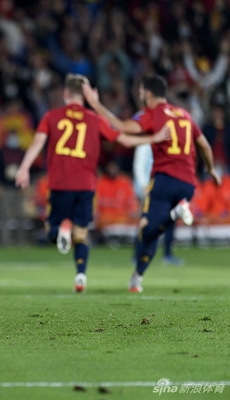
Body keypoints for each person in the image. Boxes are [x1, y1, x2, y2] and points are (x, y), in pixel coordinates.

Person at [14, 74, 169, 293]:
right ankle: (80, 277)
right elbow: (124, 140)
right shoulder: (95, 119)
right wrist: (153, 138)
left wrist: (24, 168)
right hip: (86, 185)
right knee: (81, 235)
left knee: (51, 231)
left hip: (59, 183)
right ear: (85, 96)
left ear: (66, 93)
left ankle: (63, 229)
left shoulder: (51, 116)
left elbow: (38, 142)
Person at [83, 75, 221, 292]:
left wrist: (95, 104)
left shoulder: (151, 114)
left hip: (165, 180)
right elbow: (203, 144)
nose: (140, 96)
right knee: (157, 230)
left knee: (147, 231)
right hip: (188, 184)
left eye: (140, 93)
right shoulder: (184, 114)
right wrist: (211, 169)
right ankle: (137, 277)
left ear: (148, 94)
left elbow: (121, 126)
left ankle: (173, 216)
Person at [133, 143, 183, 265]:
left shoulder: (166, 143)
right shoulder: (145, 144)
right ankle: (139, 255)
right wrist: (143, 186)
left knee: (170, 220)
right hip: (148, 189)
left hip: (165, 188)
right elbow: (139, 166)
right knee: (146, 221)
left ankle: (167, 254)